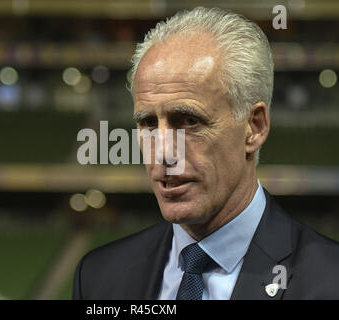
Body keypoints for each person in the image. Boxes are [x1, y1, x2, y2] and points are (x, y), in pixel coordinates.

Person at [72, 7, 339, 300]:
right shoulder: (98, 277)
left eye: (188, 121)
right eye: (148, 123)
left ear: (255, 126)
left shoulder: (329, 280)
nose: (162, 152)